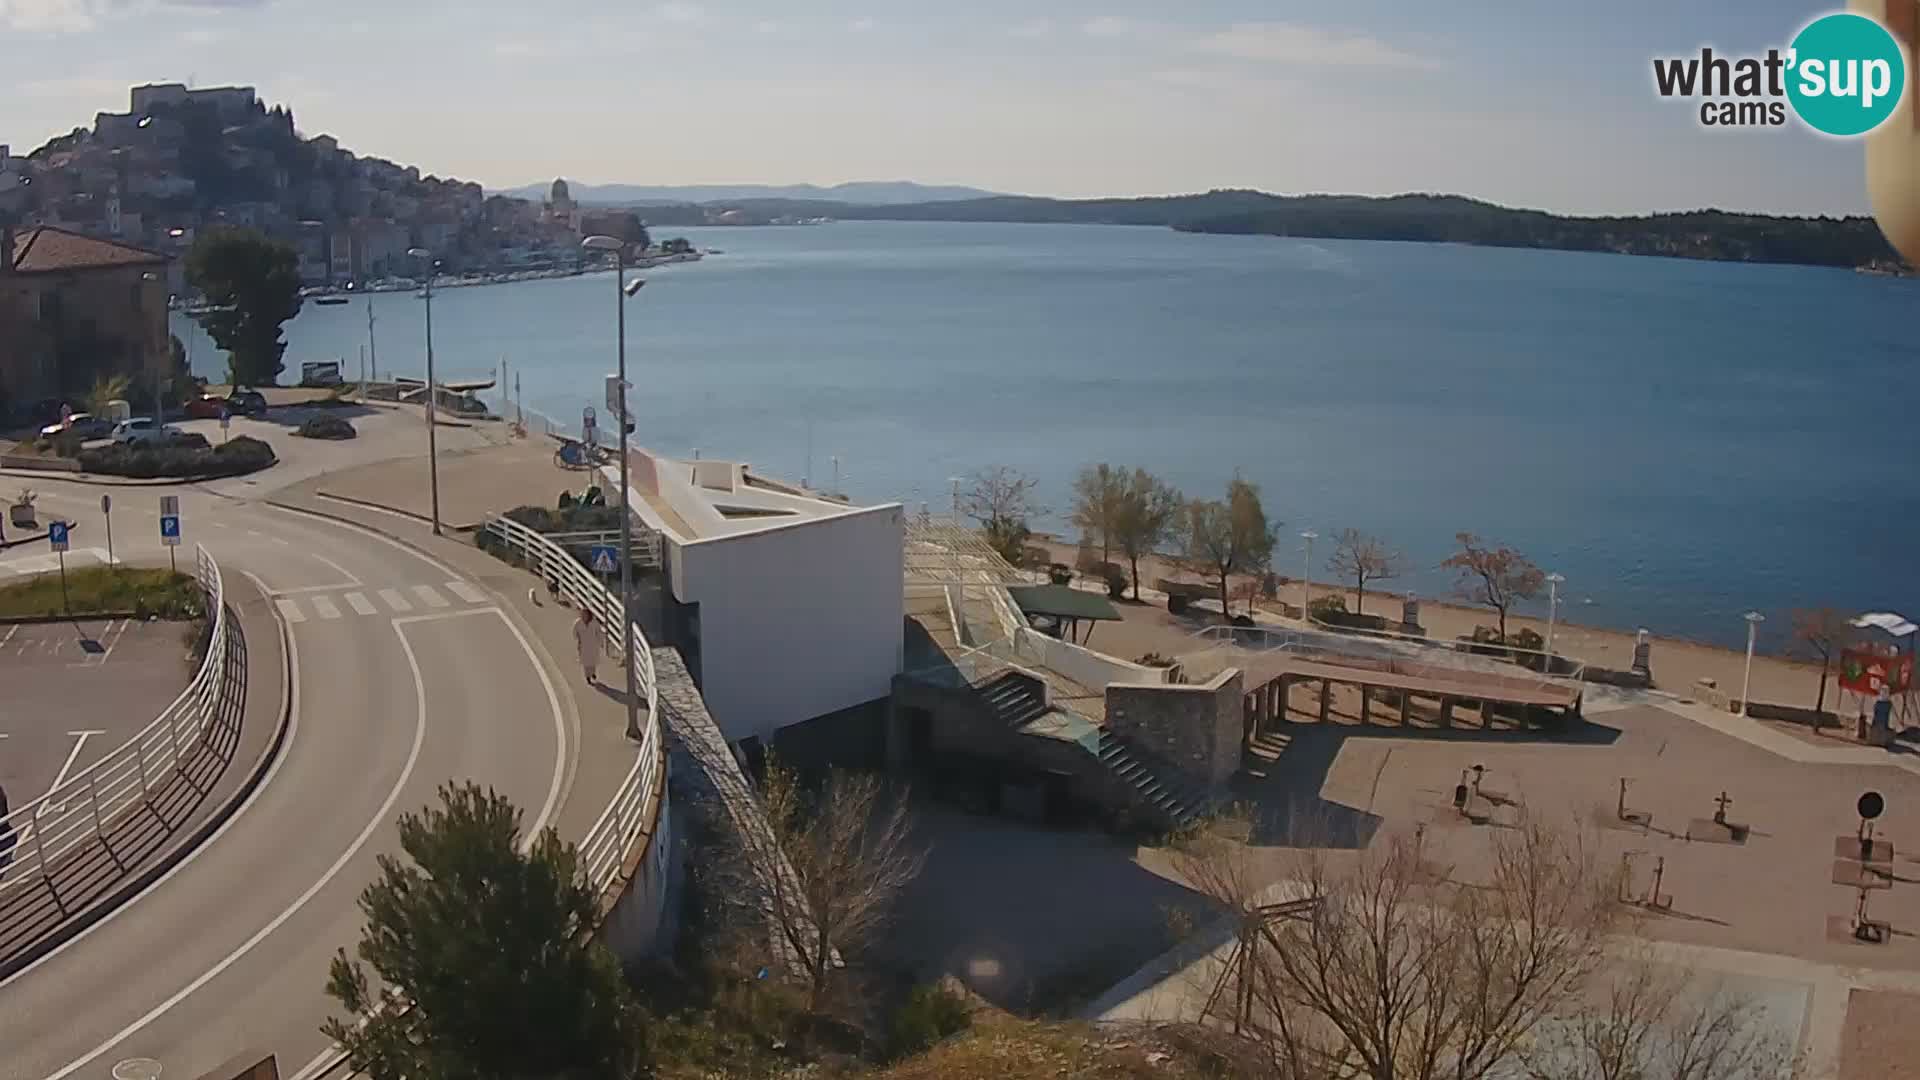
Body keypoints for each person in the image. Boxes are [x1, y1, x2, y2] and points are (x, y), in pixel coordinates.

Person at [574, 608, 600, 686]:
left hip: (592, 644)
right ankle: (587, 677)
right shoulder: (578, 623)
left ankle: (592, 673)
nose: (584, 616)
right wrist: (578, 639)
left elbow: (598, 632)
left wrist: (600, 641)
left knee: (592, 661)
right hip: (583, 644)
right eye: (582, 614)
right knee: (585, 662)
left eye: (585, 614)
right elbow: (574, 633)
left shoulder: (594, 623)